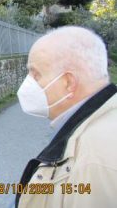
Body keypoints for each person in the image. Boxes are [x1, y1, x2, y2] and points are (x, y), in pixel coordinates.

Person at [15, 26, 117, 207]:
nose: (28, 83)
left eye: (35, 74)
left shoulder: (93, 162)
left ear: (68, 83)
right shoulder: (97, 120)